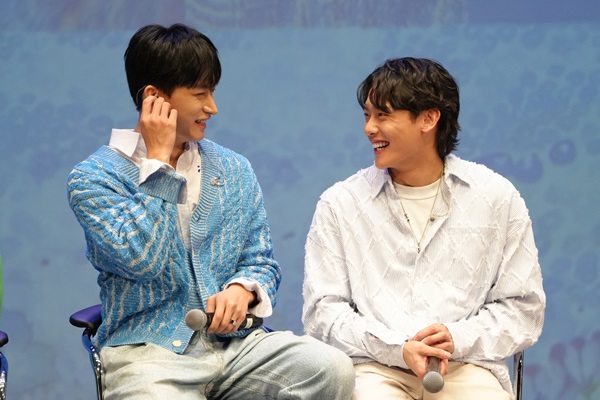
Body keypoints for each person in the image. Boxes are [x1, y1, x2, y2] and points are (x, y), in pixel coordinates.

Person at [67, 23, 354, 400]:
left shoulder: (234, 169)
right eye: (200, 93)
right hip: (146, 357)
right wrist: (158, 164)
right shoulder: (93, 178)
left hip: (237, 349)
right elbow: (141, 260)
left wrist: (242, 290)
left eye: (213, 92)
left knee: (331, 369)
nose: (212, 108)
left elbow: (261, 262)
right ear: (155, 97)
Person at [302, 57, 546, 400]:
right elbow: (322, 312)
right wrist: (397, 348)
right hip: (372, 368)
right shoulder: (339, 203)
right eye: (367, 115)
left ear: (429, 118)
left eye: (383, 115)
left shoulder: (496, 197)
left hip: (467, 366)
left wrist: (456, 338)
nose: (369, 128)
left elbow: (523, 309)